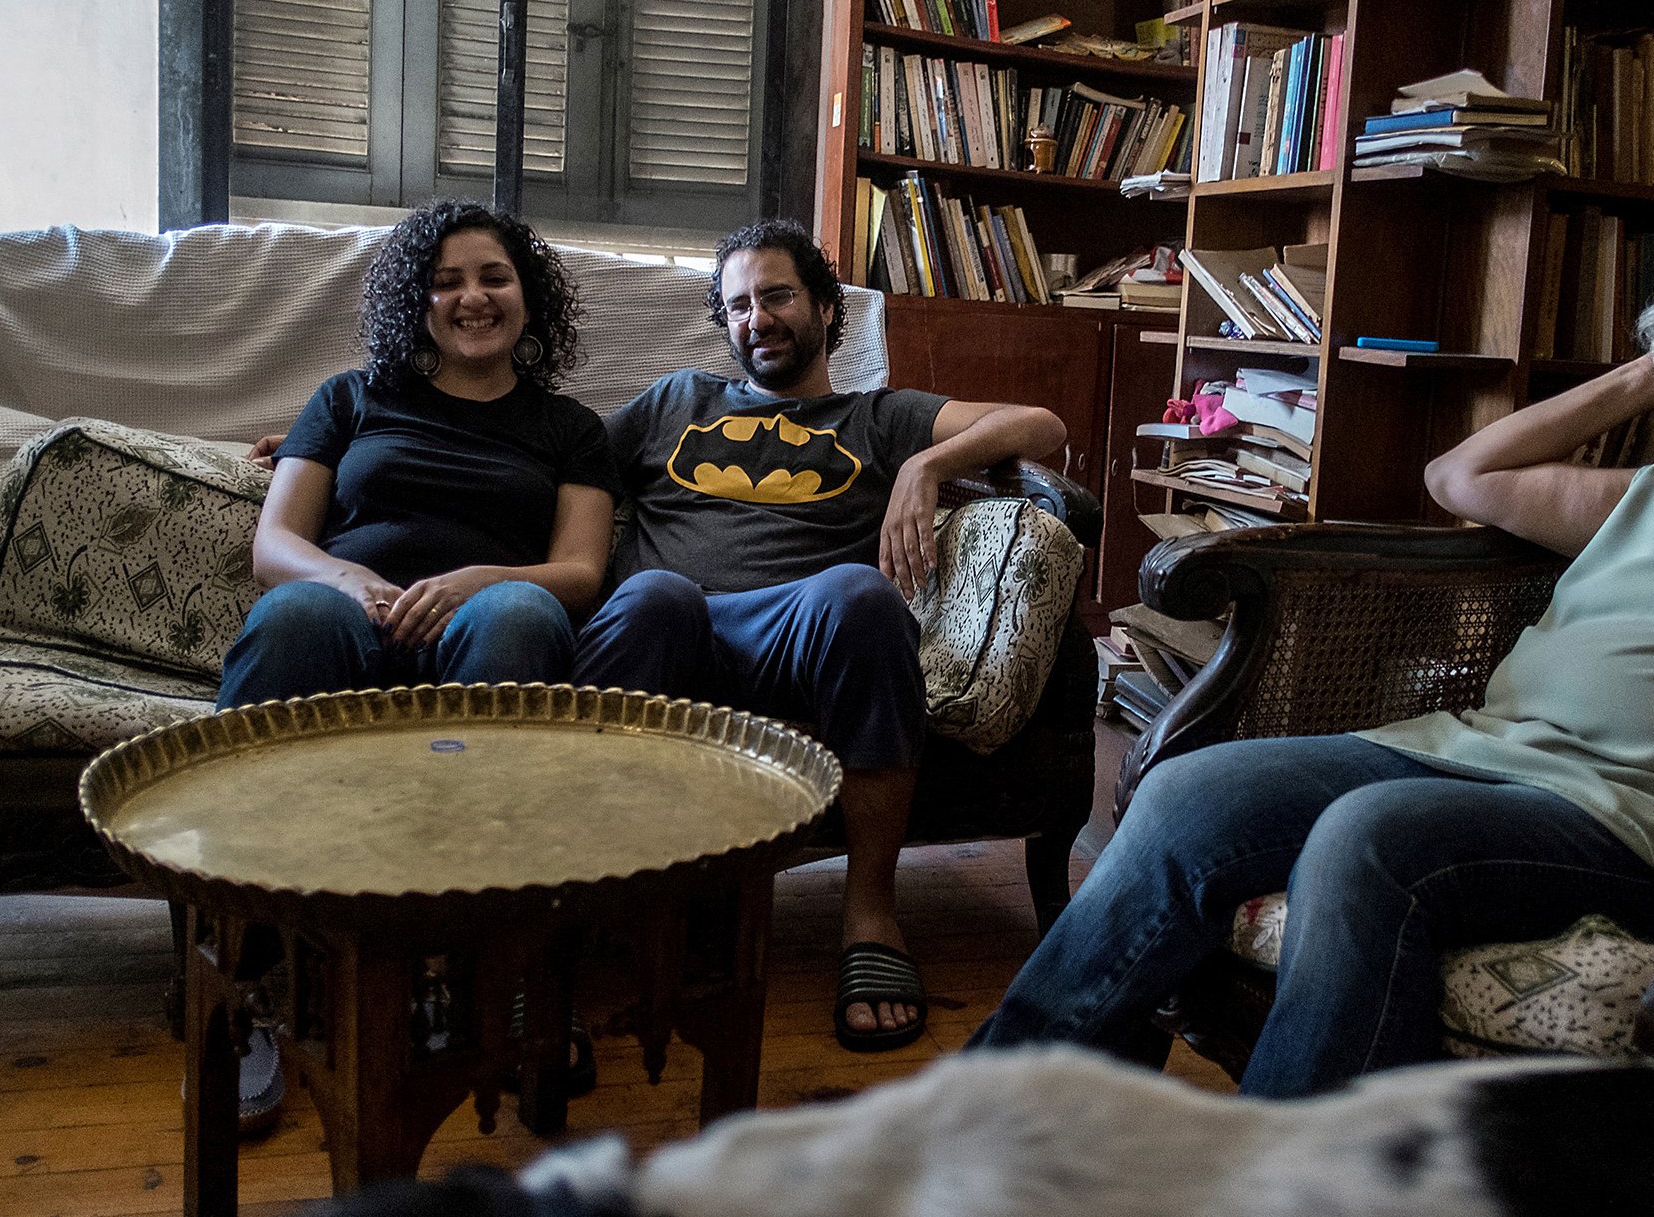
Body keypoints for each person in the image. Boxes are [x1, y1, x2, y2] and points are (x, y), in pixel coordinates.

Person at [967, 249, 1654, 1096]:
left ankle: (1291, 1180)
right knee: (1191, 790)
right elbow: (1459, 475)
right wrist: (1651, 369)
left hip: (1645, 826)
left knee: (1373, 839)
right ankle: (1008, 1108)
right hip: (1472, 753)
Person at [570, 218, 1067, 1052]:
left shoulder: (878, 417)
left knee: (861, 594)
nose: (756, 319)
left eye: (776, 296)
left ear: (828, 309)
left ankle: (869, 914)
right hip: (667, 629)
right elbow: (558, 461)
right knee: (656, 595)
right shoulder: (675, 401)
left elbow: (1041, 424)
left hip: (798, 632)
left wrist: (926, 464)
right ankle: (587, 905)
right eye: (737, 305)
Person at [221, 200, 618, 711]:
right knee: (296, 611)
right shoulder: (348, 398)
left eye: (495, 278)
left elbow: (581, 573)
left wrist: (484, 582)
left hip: (487, 627)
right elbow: (275, 544)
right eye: (446, 283)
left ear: (529, 296)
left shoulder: (573, 428)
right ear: (416, 301)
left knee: (520, 611)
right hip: (347, 618)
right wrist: (348, 580)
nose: (473, 297)